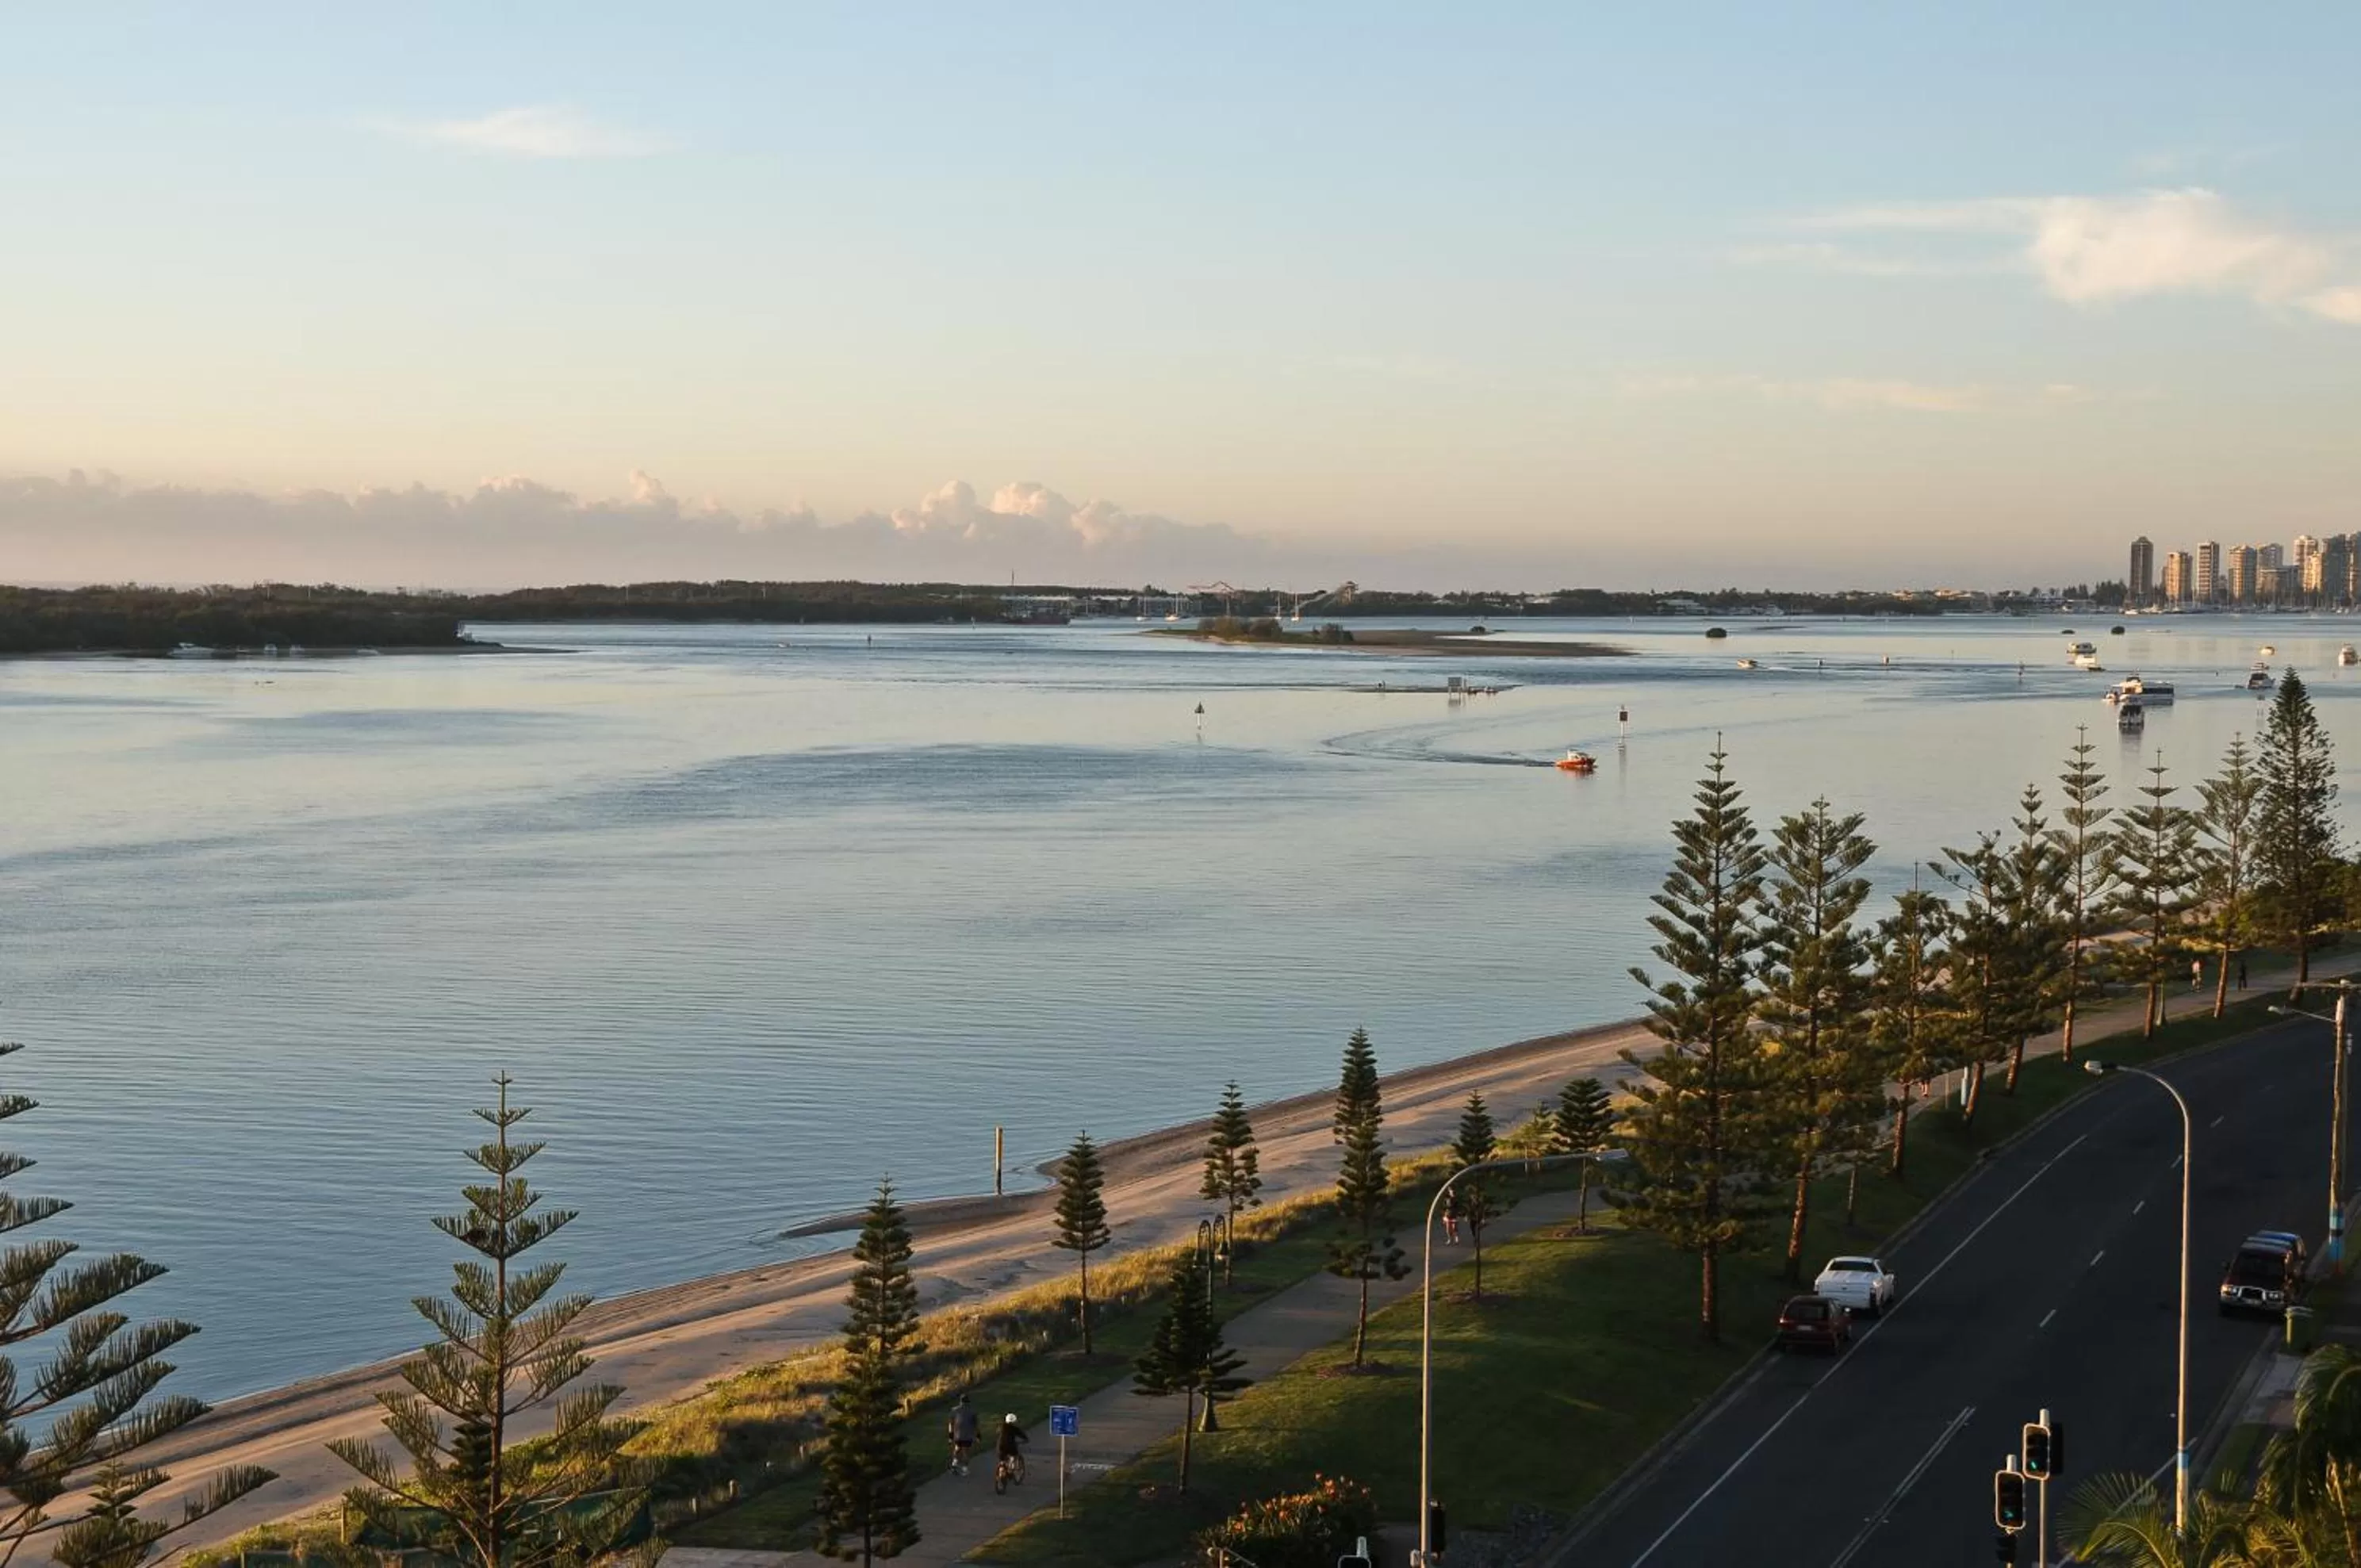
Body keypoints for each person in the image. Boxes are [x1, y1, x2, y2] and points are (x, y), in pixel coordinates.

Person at [947, 1394, 979, 1475]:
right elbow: (975, 1425)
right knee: (965, 1452)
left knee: (957, 1448)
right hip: (967, 1435)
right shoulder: (972, 1412)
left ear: (960, 1401)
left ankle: (954, 1463)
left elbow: (951, 1424)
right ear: (968, 1402)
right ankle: (965, 1469)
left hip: (957, 1435)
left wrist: (950, 1435)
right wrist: (978, 1435)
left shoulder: (954, 1410)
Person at [995, 1413, 1030, 1480]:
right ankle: (1011, 1470)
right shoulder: (1014, 1428)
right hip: (1010, 1446)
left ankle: (1001, 1472)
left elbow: (997, 1433)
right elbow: (1021, 1434)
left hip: (1000, 1446)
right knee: (1014, 1456)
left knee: (1002, 1460)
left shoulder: (1001, 1427)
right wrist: (1026, 1439)